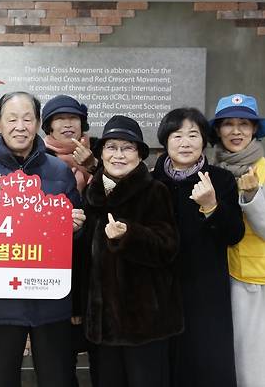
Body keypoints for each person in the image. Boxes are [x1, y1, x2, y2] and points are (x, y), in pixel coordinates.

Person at [0, 91, 85, 387]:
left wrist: (75, 229)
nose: (20, 126)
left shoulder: (59, 172)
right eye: (12, 119)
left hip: (51, 299)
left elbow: (76, 238)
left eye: (27, 118)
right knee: (0, 379)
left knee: (58, 378)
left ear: (38, 123)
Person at [82, 115, 181, 387]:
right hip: (103, 325)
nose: (119, 155)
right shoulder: (92, 195)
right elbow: (85, 261)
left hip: (145, 323)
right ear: (101, 153)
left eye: (127, 148)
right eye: (111, 147)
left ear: (139, 154)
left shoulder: (155, 191)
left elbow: (168, 247)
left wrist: (130, 234)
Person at [152, 107, 245, 387]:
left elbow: (234, 234)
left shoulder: (221, 179)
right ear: (166, 141)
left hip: (205, 289)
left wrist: (211, 206)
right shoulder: (151, 180)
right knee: (161, 364)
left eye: (193, 135)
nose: (185, 142)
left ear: (204, 140)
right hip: (159, 289)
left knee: (206, 363)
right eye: (177, 135)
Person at [210, 94, 265, 387]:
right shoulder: (211, 171)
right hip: (216, 275)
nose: (236, 131)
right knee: (223, 357)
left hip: (254, 280)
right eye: (228, 124)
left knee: (255, 365)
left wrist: (253, 196)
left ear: (255, 129)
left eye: (244, 123)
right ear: (218, 130)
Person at [41, 94, 98, 386]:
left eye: (73, 118)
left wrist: (92, 167)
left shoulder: (102, 152)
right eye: (59, 119)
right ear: (48, 126)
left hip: (98, 268)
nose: (67, 124)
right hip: (57, 268)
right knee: (61, 361)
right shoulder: (39, 159)